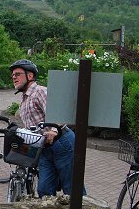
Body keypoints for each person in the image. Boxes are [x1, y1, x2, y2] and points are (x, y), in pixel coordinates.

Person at [9, 59, 86, 197]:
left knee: (72, 189)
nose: (13, 77)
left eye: (17, 74)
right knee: (44, 190)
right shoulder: (24, 98)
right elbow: (32, 126)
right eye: (13, 75)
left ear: (30, 76)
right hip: (44, 148)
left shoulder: (40, 92)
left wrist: (54, 130)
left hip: (62, 143)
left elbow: (59, 112)